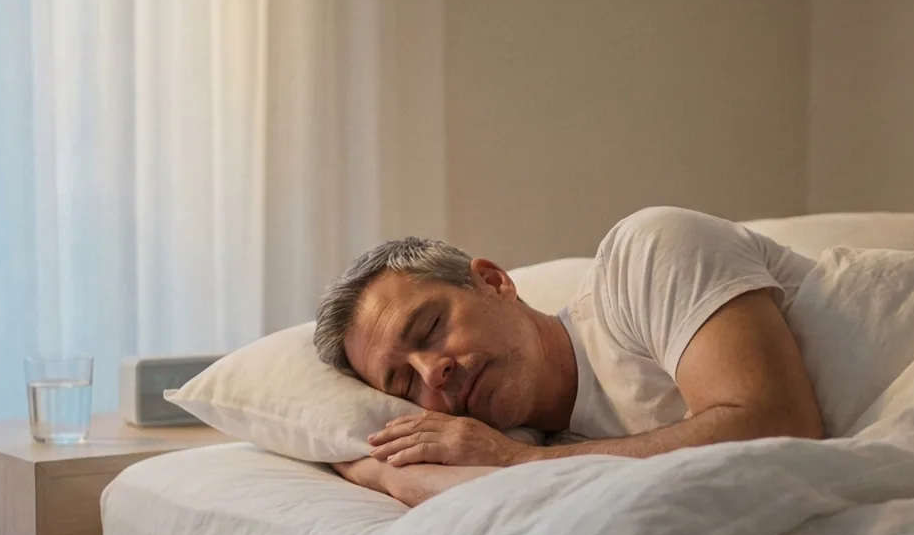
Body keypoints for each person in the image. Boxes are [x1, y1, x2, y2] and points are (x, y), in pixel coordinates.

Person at [313, 206, 826, 505]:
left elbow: (778, 427)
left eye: (430, 327)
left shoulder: (644, 255)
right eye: (404, 385)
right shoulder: (540, 443)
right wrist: (374, 471)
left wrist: (518, 460)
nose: (433, 372)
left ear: (493, 282)